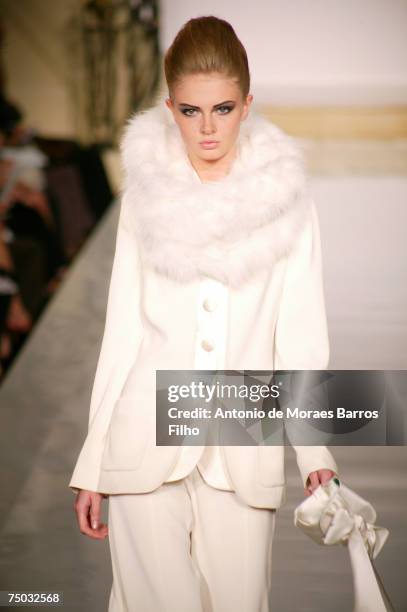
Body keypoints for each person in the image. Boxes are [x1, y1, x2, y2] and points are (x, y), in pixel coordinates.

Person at [69, 15, 339, 612]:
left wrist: (315, 453)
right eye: (191, 111)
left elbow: (300, 339)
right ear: (171, 108)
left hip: (244, 437)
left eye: (222, 108)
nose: (207, 127)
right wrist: (92, 462)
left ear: (246, 103)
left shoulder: (287, 202)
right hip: (141, 439)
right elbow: (122, 333)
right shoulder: (146, 198)